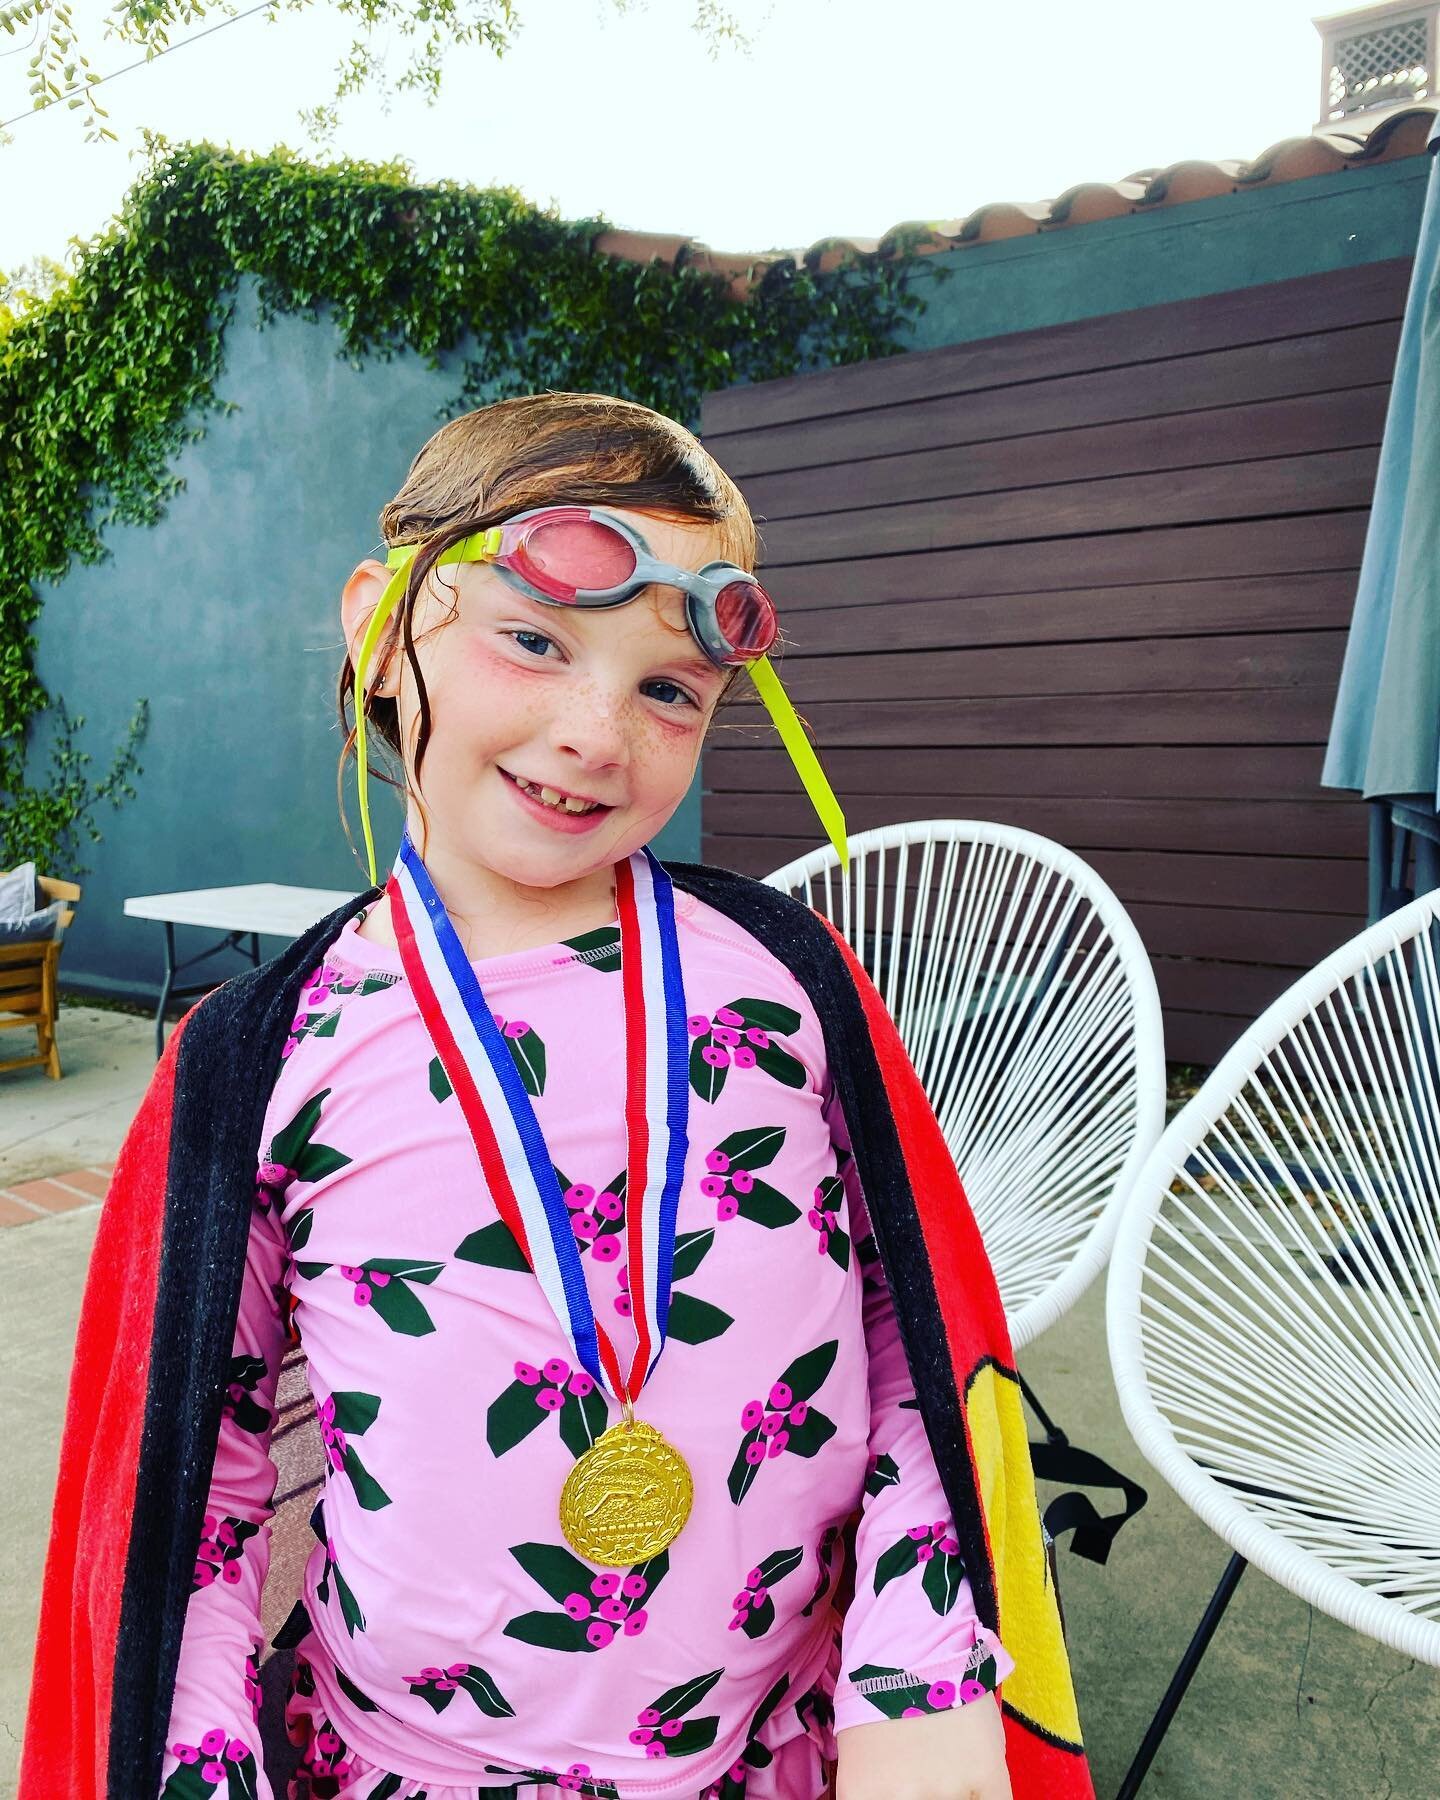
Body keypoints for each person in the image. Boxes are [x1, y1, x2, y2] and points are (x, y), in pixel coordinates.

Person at [18, 393, 1091, 1800]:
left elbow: (920, 1358)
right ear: (385, 629)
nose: (596, 732)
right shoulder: (264, 1058)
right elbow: (192, 1496)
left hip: (789, 1755)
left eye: (667, 689)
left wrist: (917, 1663)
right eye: (534, 640)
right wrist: (203, 1762)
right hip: (404, 1768)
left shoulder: (785, 987)